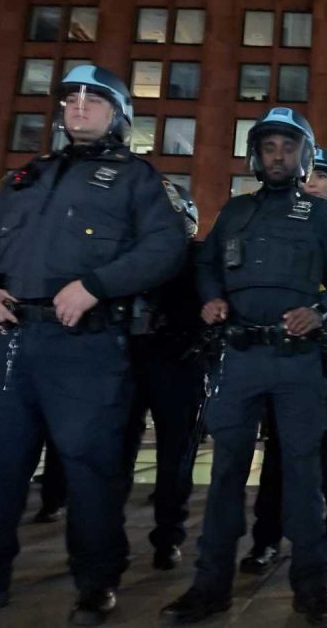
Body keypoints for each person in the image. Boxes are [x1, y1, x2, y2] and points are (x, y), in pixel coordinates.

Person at [0, 64, 187, 626]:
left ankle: (96, 583)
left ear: (119, 114)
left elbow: (167, 247)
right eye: (70, 98)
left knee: (92, 470)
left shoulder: (137, 179)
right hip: (14, 341)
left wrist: (95, 286)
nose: (79, 107)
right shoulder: (26, 179)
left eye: (95, 99)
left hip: (87, 347)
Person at [161, 107, 327, 627]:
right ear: (257, 155)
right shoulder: (234, 211)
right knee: (225, 473)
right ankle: (210, 587)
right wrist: (210, 298)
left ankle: (312, 588)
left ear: (305, 157)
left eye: (289, 148)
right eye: (269, 147)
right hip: (240, 358)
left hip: (297, 362)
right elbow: (207, 265)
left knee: (302, 473)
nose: (278, 156)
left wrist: (321, 311)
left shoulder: (322, 216)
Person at [241, 147, 327, 582]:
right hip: (284, 355)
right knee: (279, 452)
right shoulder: (275, 226)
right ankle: (266, 538)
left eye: (323, 175)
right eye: (307, 174)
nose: (311, 182)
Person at [122, 182, 205, 571]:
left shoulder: (197, 258)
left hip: (177, 362)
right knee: (115, 454)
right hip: (128, 361)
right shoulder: (130, 254)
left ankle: (168, 536)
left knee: (176, 457)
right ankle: (109, 538)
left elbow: (211, 306)